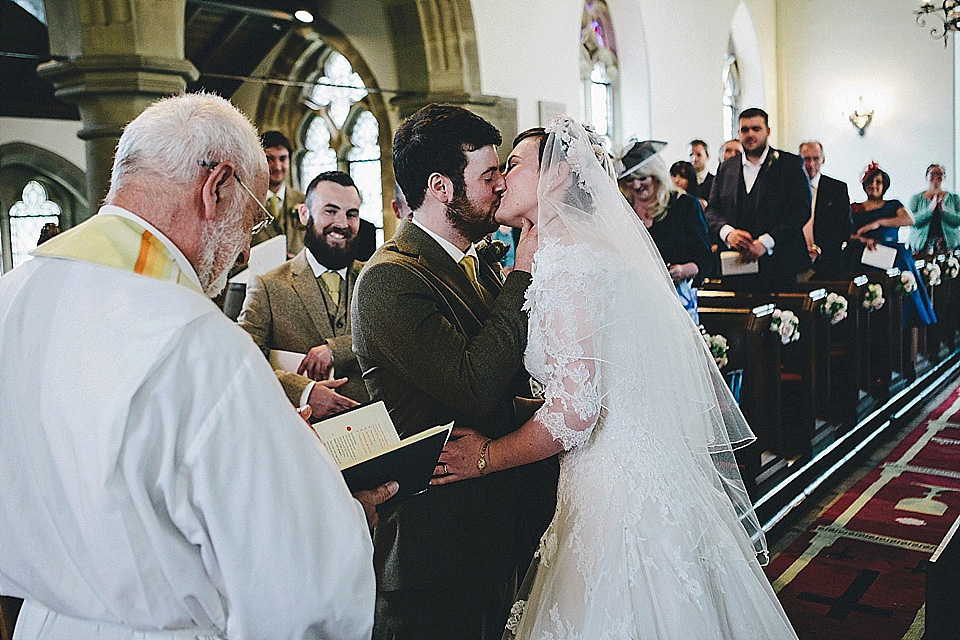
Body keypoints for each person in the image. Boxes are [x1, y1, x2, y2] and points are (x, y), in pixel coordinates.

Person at [0, 93, 391, 639]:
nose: (240, 251)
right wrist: (337, 511)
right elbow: (307, 592)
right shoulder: (199, 344)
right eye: (251, 223)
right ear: (217, 187)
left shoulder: (11, 299)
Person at [433, 116, 799, 639]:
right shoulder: (593, 253)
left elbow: (577, 414)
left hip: (615, 493)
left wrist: (487, 456)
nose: (499, 180)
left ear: (556, 177)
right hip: (645, 470)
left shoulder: (569, 264)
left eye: (512, 166)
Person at [351, 103, 547, 640]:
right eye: (487, 176)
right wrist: (523, 276)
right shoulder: (389, 279)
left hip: (490, 528)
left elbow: (507, 382)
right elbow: (475, 387)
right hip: (434, 551)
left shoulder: (475, 262)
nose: (500, 186)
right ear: (440, 187)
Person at [239, 170, 368, 419]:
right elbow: (244, 361)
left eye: (351, 214)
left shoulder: (375, 278)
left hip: (374, 432)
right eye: (330, 211)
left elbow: (391, 338)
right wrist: (303, 391)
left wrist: (337, 349)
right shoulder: (267, 285)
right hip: (301, 432)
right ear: (304, 214)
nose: (342, 223)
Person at [705, 108, 811, 292]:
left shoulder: (790, 164)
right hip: (736, 266)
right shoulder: (726, 167)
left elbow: (801, 210)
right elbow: (712, 211)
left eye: (756, 128)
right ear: (738, 133)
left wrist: (766, 242)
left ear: (767, 131)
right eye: (744, 130)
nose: (750, 134)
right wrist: (728, 233)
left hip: (779, 265)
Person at [619, 142, 712, 322]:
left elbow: (706, 259)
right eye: (630, 179)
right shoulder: (625, 209)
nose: (637, 185)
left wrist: (683, 270)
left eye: (642, 177)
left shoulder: (684, 206)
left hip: (676, 300)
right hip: (635, 302)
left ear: (656, 175)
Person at [849, 162, 936, 327]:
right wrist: (862, 239)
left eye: (878, 182)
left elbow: (909, 220)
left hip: (890, 252)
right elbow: (845, 232)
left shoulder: (893, 205)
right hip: (864, 252)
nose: (873, 185)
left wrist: (879, 223)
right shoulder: (855, 208)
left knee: (902, 265)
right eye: (870, 182)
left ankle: (905, 320)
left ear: (884, 185)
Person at [798, 141, 852, 280]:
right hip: (795, 261)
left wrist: (819, 250)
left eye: (815, 158)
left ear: (823, 160)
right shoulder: (789, 189)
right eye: (806, 159)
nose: (811, 164)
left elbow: (844, 227)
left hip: (828, 263)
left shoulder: (836, 189)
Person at [258, 130, 307, 256]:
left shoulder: (304, 201)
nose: (278, 166)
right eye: (269, 159)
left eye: (283, 159)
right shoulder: (245, 204)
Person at [908, 163, 960, 253]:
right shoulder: (916, 198)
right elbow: (912, 221)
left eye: (939, 173)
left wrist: (944, 211)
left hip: (950, 246)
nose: (936, 176)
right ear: (926, 176)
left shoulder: (954, 198)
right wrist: (929, 210)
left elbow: (957, 221)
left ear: (944, 177)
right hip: (921, 246)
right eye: (932, 173)